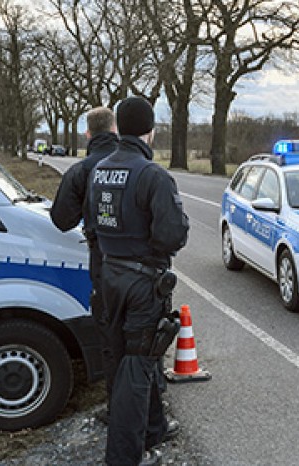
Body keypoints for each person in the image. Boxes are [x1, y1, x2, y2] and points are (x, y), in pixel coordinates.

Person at [88, 96, 189, 466]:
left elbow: (93, 222)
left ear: (119, 129)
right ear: (150, 131)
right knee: (138, 367)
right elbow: (171, 235)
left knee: (124, 359)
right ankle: (124, 457)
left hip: (110, 273)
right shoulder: (152, 174)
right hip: (143, 281)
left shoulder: (101, 169)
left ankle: (154, 428)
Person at [50, 106, 119, 403]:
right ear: (115, 130)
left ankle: (115, 402)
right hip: (144, 264)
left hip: (103, 259)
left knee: (109, 331)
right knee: (144, 333)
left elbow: (61, 219)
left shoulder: (81, 170)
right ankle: (150, 405)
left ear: (88, 134)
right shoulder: (143, 165)